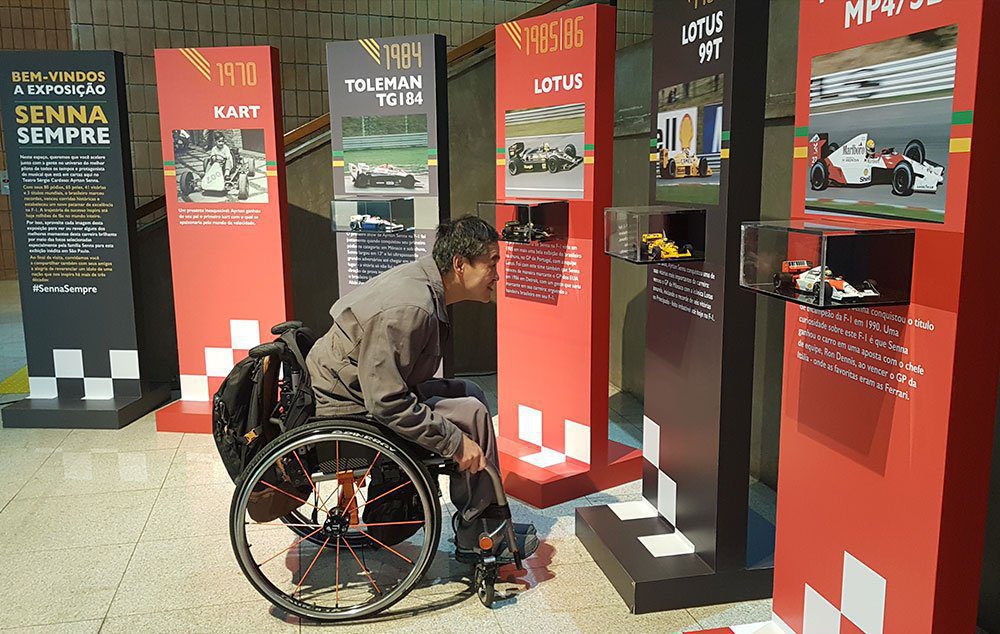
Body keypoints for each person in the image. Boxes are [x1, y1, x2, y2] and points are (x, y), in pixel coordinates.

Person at [305, 215, 537, 560]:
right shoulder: (411, 308)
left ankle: (483, 520)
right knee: (469, 413)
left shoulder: (424, 285)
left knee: (470, 392)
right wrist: (455, 443)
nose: (497, 275)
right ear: (460, 264)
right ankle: (477, 533)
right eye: (492, 264)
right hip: (346, 405)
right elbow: (386, 401)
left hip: (355, 385)